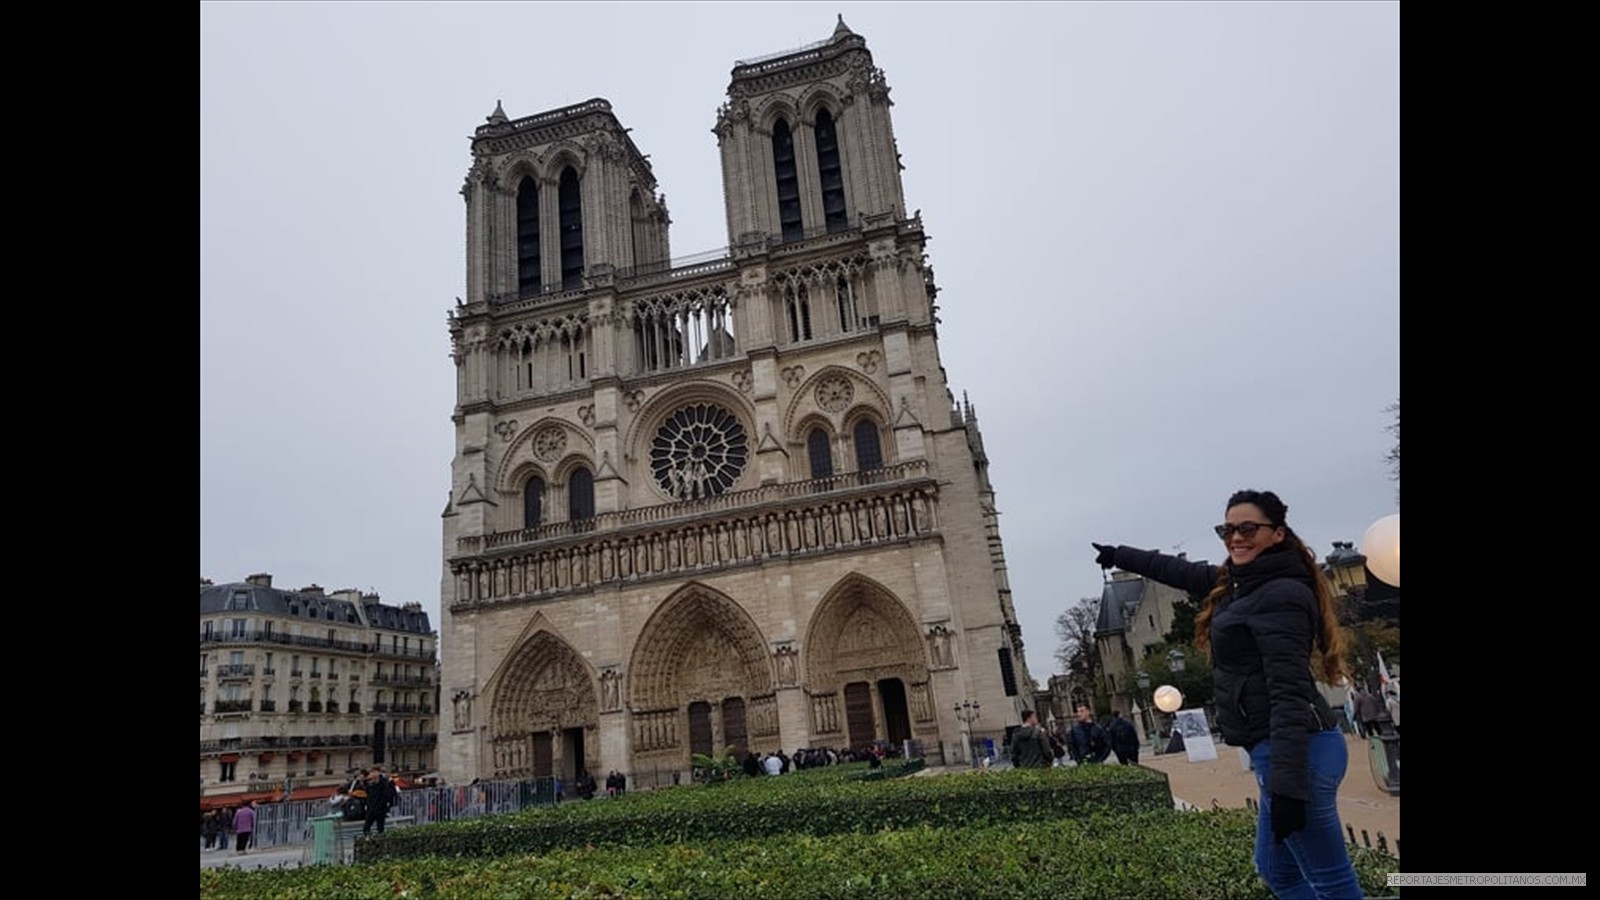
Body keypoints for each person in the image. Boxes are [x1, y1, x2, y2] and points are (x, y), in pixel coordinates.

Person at [1092, 488, 1362, 899]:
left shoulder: (1281, 594)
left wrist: (1289, 786)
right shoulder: (1241, 583)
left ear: (1277, 533)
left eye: (1248, 528)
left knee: (1331, 881)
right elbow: (1181, 573)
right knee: (1279, 873)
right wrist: (1119, 555)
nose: (1236, 537)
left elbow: (1288, 693)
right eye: (1228, 529)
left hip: (1297, 751)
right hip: (1279, 750)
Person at [362, 766, 397, 836]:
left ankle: (380, 842)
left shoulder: (383, 782)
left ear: (378, 772)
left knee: (380, 827)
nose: (372, 774)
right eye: (371, 772)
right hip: (371, 808)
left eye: (374, 772)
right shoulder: (370, 783)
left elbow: (387, 794)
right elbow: (367, 792)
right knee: (366, 827)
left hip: (380, 808)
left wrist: (384, 805)